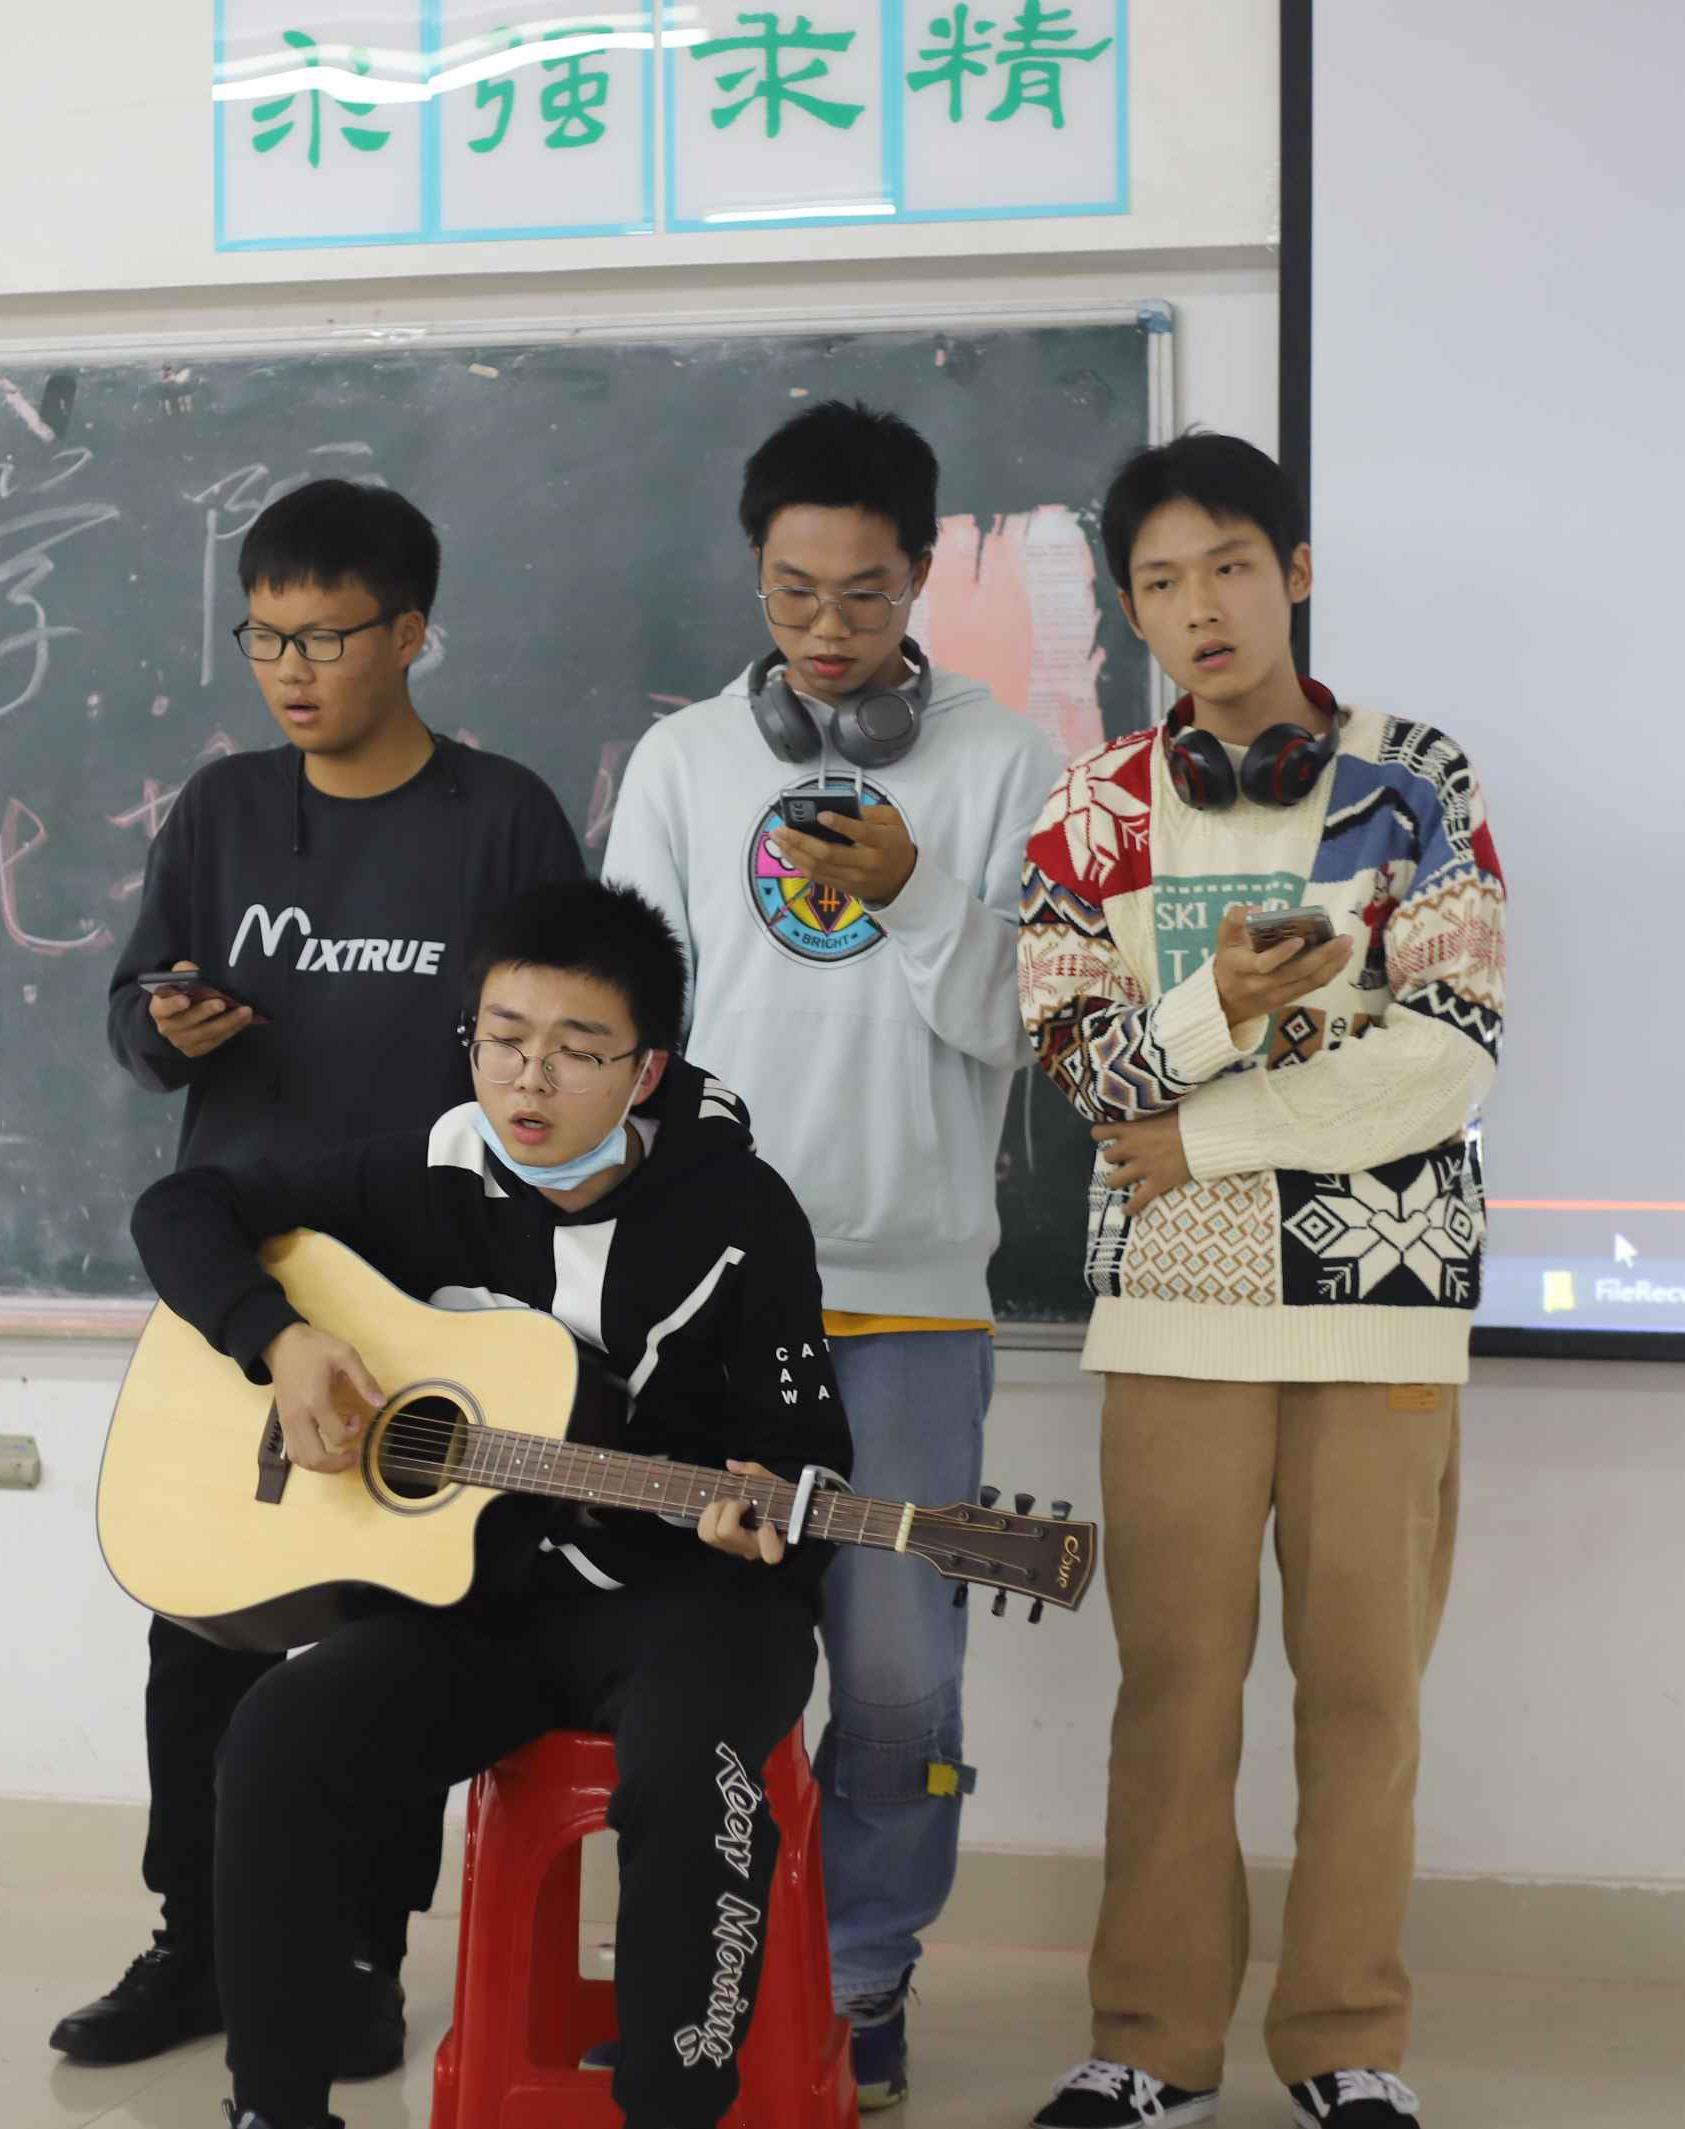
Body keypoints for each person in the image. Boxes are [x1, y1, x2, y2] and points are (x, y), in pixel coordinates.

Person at [130, 878, 853, 2129]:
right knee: (274, 1736)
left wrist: (765, 1505)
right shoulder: (431, 1168)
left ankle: (671, 2109)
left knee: (692, 1771)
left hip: (688, 1601)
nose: (529, 1080)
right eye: (502, 1039)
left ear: (645, 1069)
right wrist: (280, 1339)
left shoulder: (739, 1213)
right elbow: (180, 1206)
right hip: (482, 1602)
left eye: (575, 1050)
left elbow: (803, 1450)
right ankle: (273, 2108)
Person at [62, 478, 585, 2069]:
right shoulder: (223, 811)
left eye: (326, 637)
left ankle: (359, 1953)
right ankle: (197, 1943)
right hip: (239, 1283)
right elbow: (134, 1020)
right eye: (265, 638)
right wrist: (163, 1026)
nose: (290, 671)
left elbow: (561, 1042)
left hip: (431, 1303)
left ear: (409, 633)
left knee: (387, 1622)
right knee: (196, 1614)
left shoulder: (501, 819)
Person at [1015, 433, 1505, 2129]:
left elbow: (1447, 1053)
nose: (1197, 607)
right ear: (1129, 607)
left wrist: (1208, 1129)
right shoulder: (1087, 811)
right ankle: (1147, 2042)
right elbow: (1081, 1070)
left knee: (1363, 1690)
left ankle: (1346, 2040)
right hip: (1174, 1303)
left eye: (1227, 565)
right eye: (1157, 581)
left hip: (1380, 1295)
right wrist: (1214, 1008)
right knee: (1172, 1688)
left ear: (1290, 570)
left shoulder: (1414, 777)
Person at [601, 399, 1061, 2107]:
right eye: (793, 591)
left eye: (862, 594)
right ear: (755, 573)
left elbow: (1024, 1024)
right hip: (708, 1308)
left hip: (910, 1297)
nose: (824, 627)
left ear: (920, 572)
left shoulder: (1006, 762)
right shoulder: (679, 766)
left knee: (894, 1675)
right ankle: (690, 1974)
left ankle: (864, 1977)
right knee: (693, 1662)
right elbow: (628, 1035)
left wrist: (917, 889)